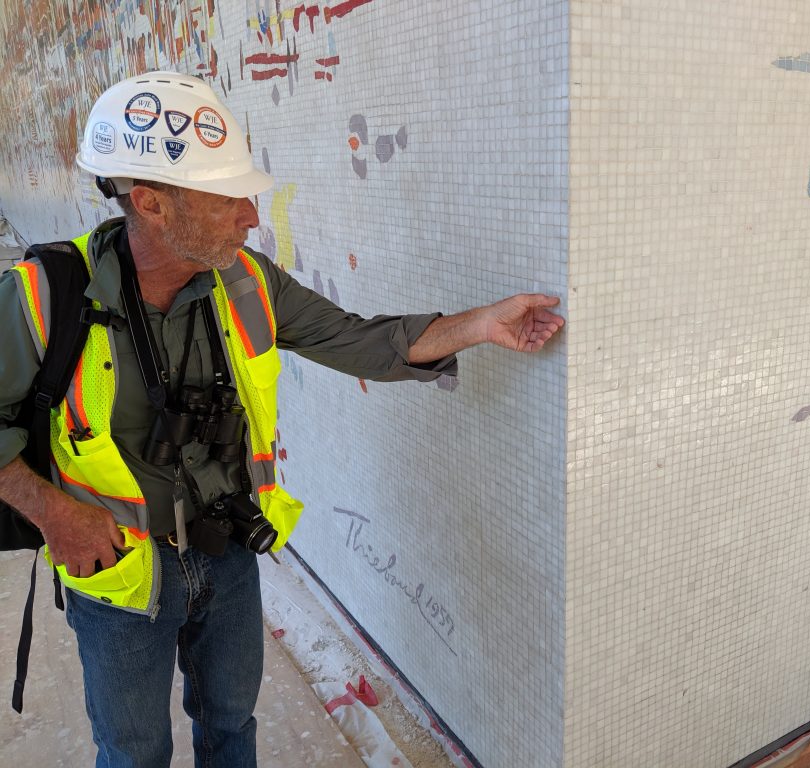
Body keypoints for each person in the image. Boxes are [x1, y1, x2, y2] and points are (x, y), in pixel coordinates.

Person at [0, 70, 563, 767]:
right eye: (227, 197)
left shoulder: (248, 281)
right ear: (151, 203)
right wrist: (55, 514)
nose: (250, 216)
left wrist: (482, 324)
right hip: (117, 573)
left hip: (228, 554)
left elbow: (358, 339)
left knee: (232, 728)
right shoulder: (42, 296)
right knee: (133, 751)